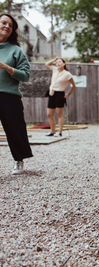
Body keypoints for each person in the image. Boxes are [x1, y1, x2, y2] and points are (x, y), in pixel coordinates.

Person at [0, 14, 32, 175]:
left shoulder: (15, 50)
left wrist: (6, 67)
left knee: (15, 129)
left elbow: (25, 75)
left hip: (9, 96)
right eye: (4, 23)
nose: (6, 26)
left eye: (10, 25)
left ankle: (19, 160)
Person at [45, 57, 76, 137]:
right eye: (57, 62)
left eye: (60, 62)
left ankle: (60, 132)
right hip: (52, 93)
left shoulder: (67, 74)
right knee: (49, 114)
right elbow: (47, 64)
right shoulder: (54, 69)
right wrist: (54, 59)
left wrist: (68, 94)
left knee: (59, 114)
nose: (58, 63)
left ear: (64, 64)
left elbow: (73, 85)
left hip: (60, 94)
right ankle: (52, 131)